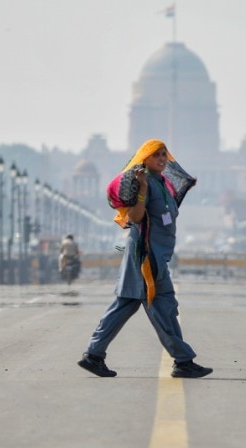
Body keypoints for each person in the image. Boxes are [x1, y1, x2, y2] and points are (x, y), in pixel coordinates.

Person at [78, 139, 212, 379]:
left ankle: (94, 354)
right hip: (145, 256)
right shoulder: (144, 183)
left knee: (126, 305)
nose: (162, 159)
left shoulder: (164, 183)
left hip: (157, 255)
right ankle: (183, 360)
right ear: (145, 158)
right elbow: (136, 217)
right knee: (163, 307)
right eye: (156, 155)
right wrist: (141, 189)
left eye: (164, 154)